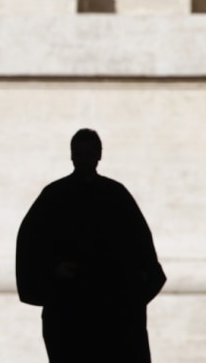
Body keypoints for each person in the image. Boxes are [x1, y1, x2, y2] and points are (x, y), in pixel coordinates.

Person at [16, 128, 166, 363]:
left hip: (114, 314)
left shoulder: (116, 195)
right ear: (72, 156)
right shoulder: (54, 196)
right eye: (80, 153)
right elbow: (31, 247)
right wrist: (53, 269)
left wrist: (128, 290)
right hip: (71, 311)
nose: (85, 159)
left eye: (90, 153)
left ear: (99, 155)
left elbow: (142, 252)